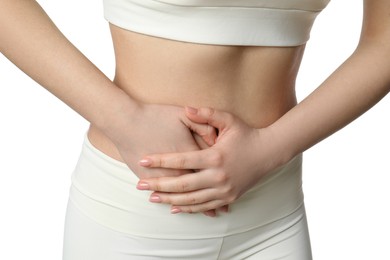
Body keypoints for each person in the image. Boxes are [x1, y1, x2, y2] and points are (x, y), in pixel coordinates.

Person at [0, 0, 389, 260]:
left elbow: (383, 41)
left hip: (274, 216)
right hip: (137, 215)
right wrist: (122, 118)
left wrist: (271, 147)